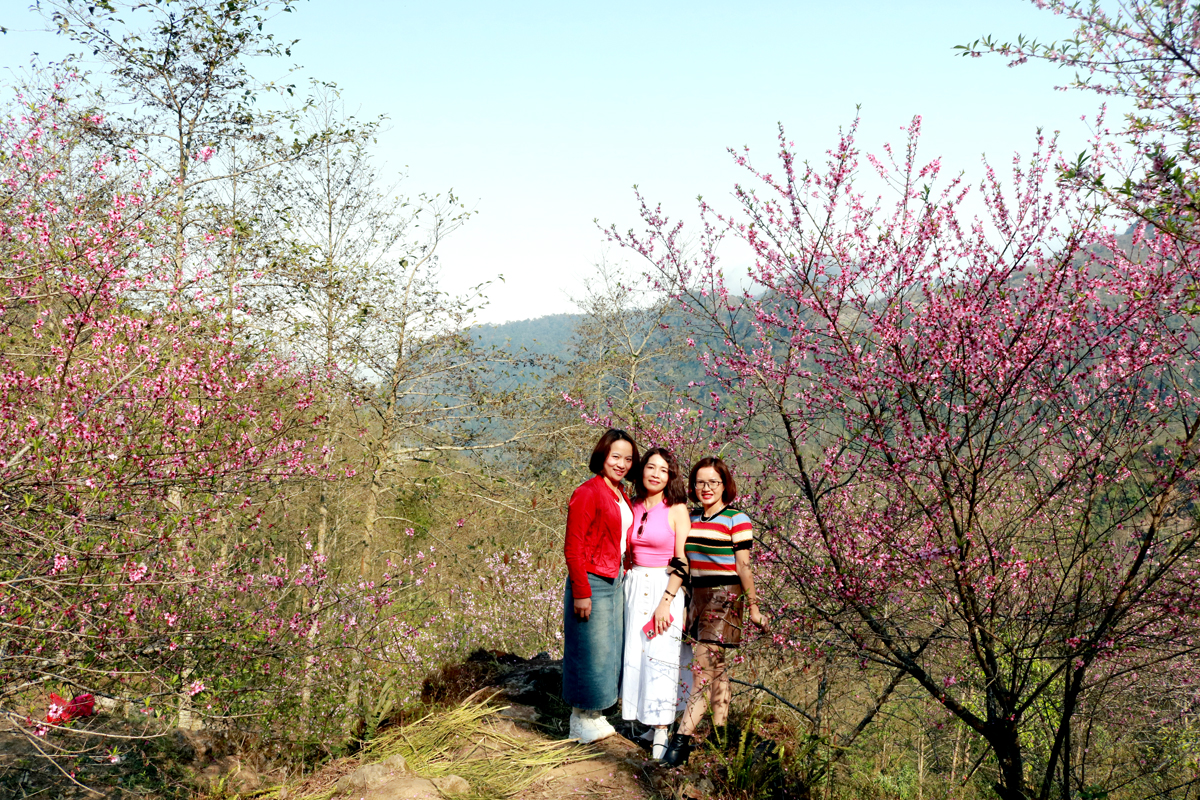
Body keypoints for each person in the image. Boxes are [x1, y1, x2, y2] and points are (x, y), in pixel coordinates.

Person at [662, 456, 767, 767]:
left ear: (725, 485)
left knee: (703, 669)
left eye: (713, 482)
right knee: (716, 667)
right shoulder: (690, 517)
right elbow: (681, 561)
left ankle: (681, 740)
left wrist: (754, 607)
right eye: (700, 482)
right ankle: (720, 736)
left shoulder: (737, 519)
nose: (706, 488)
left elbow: (743, 566)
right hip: (696, 595)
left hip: (725, 596)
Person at [562, 428, 639, 743]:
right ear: (603, 456)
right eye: (616, 456)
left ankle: (595, 714)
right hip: (591, 579)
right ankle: (579, 720)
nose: (621, 463)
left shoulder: (618, 492)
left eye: (628, 458)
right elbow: (573, 547)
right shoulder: (588, 491)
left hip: (614, 578)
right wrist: (581, 591)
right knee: (587, 649)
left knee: (607, 650)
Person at [620, 447, 691, 760]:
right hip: (634, 585)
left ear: (670, 476)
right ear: (641, 470)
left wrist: (667, 601)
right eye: (650, 467)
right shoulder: (632, 505)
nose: (655, 474)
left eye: (663, 469)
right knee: (637, 653)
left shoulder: (676, 510)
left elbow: (682, 560)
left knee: (662, 657)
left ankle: (662, 727)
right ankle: (646, 722)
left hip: (665, 587)